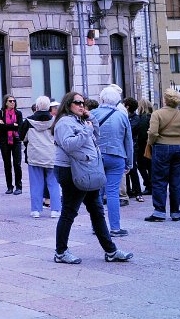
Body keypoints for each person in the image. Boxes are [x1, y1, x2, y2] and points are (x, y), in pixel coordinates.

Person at [52, 91, 132, 264]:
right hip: (71, 170)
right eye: (77, 103)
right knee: (69, 212)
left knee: (96, 210)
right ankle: (60, 252)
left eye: (83, 103)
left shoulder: (79, 120)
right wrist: (86, 131)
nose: (82, 106)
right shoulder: (64, 122)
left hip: (86, 169)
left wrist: (92, 120)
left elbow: (95, 136)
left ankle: (111, 251)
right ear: (68, 104)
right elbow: (69, 144)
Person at [145, 88, 180, 222]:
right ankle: (175, 212)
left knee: (159, 180)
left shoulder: (157, 114)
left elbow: (152, 133)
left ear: (165, 100)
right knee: (177, 181)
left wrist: (151, 143)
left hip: (161, 147)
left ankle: (159, 212)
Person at [90, 86, 133, 237]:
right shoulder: (122, 116)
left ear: (101, 99)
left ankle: (97, 227)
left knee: (97, 193)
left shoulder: (93, 114)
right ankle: (115, 228)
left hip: (97, 156)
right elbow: (128, 141)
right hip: (117, 155)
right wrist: (129, 162)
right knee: (113, 192)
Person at [20, 96, 61, 219]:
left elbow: (22, 137)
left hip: (34, 155)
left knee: (36, 184)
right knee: (54, 184)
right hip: (51, 155)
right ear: (49, 107)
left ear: (37, 107)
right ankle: (55, 210)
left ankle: (36, 210)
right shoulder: (55, 121)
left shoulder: (28, 121)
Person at [0, 94, 24, 194]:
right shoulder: (1, 113)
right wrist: (13, 125)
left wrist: (7, 125)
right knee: (7, 164)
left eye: (14, 101)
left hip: (16, 140)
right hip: (4, 141)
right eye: (10, 101)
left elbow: (20, 127)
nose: (13, 103)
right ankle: (9, 186)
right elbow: (1, 127)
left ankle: (19, 187)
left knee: (17, 164)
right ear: (5, 103)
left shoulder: (18, 113)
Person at [122, 98, 143, 201]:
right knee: (125, 169)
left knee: (133, 169)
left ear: (127, 107)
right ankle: (128, 190)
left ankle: (138, 191)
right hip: (125, 145)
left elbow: (128, 129)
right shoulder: (126, 117)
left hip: (133, 146)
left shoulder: (135, 118)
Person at [133, 98, 153, 200]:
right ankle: (151, 185)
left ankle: (148, 185)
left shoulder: (142, 118)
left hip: (143, 146)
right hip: (151, 145)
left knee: (141, 166)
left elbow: (142, 134)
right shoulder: (152, 116)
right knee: (150, 166)